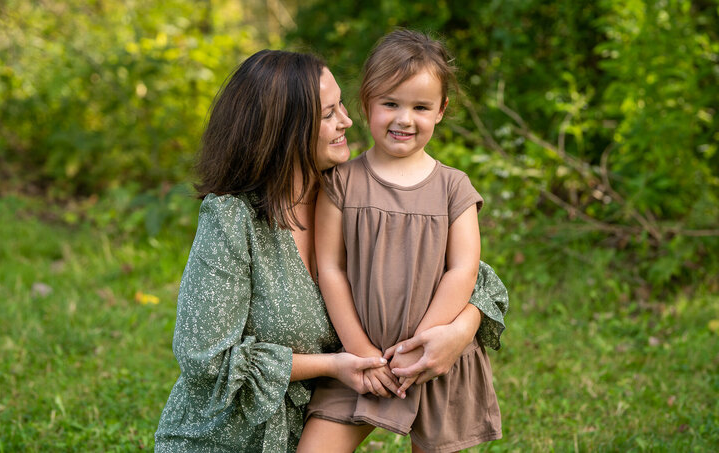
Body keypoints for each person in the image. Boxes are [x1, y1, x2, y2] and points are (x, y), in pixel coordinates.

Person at [154, 49, 507, 452]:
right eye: (328, 113)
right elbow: (205, 359)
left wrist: (458, 333)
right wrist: (334, 366)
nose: (347, 120)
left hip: (316, 427)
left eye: (341, 104)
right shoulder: (233, 219)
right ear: (286, 128)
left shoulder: (350, 194)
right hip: (232, 440)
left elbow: (470, 274)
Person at [300, 30, 505, 453]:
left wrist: (423, 344)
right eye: (390, 103)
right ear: (367, 103)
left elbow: (463, 269)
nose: (404, 119)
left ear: (442, 110)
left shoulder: (454, 188)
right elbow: (330, 268)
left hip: (436, 362)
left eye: (420, 107)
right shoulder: (341, 183)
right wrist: (362, 353)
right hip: (361, 360)